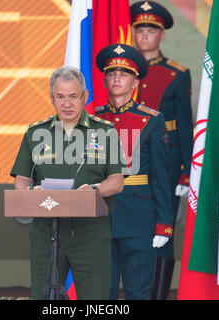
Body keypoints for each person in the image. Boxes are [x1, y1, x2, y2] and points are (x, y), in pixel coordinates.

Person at [10, 66, 126, 300]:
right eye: (60, 97)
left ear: (84, 96)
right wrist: (32, 192)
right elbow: (21, 180)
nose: (67, 103)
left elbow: (117, 181)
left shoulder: (105, 132)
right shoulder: (35, 133)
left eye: (73, 96)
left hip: (90, 234)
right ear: (52, 98)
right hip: (46, 233)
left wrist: (94, 189)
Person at [95, 43, 174, 300]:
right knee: (100, 293)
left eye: (125, 74)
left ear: (136, 82)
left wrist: (164, 223)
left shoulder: (151, 120)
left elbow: (161, 176)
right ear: (105, 80)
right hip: (99, 217)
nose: (117, 79)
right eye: (112, 74)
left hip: (139, 218)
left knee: (137, 291)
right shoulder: (91, 119)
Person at [130, 1, 194, 299]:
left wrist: (185, 171)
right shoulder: (117, 73)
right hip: (125, 159)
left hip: (166, 163)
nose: (144, 36)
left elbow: (183, 126)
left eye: (150, 31)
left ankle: (157, 295)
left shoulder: (176, 74)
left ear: (161, 35)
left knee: (163, 227)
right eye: (139, 30)